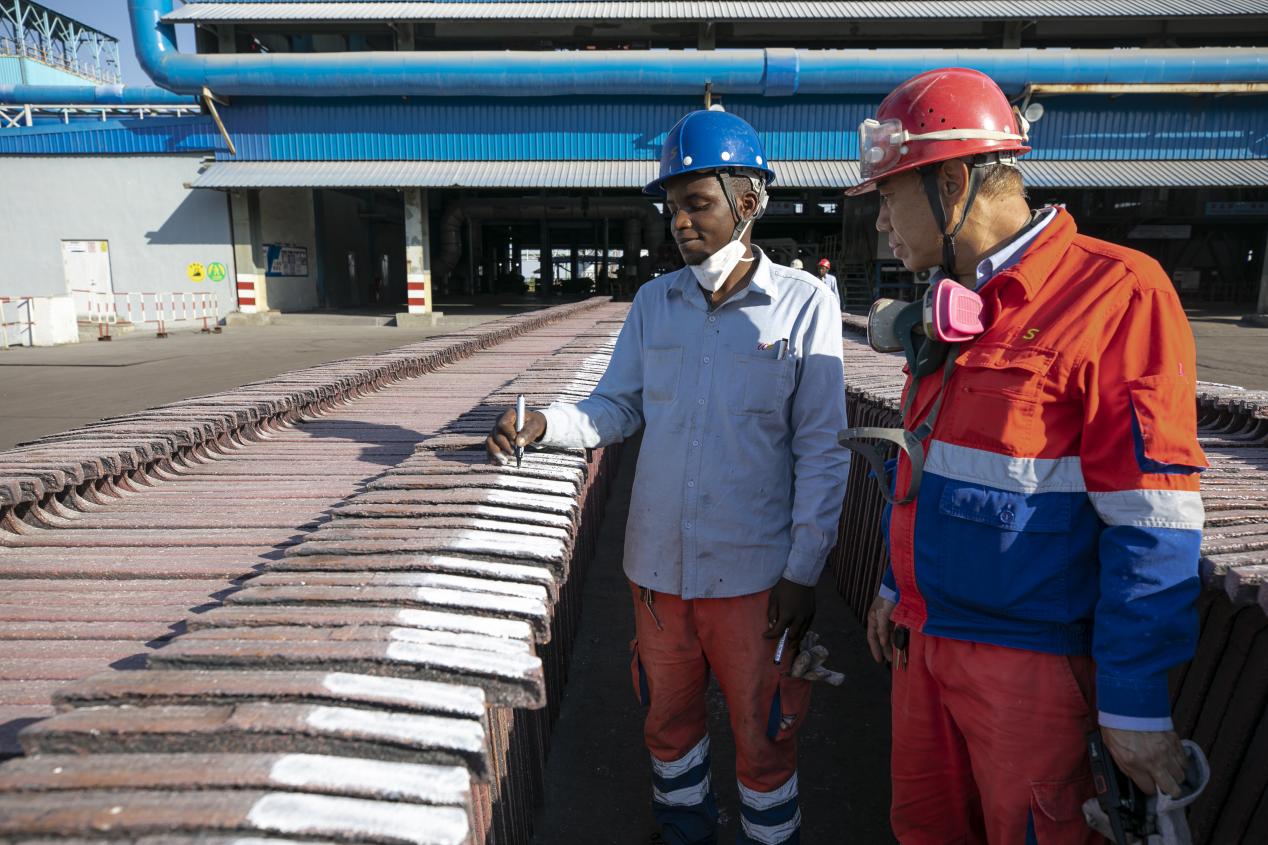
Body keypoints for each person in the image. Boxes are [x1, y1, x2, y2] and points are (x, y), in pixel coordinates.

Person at [847, 67, 1207, 843]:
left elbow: (1153, 515)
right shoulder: (953, 306)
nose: (880, 223)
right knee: (924, 829)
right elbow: (926, 463)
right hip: (925, 641)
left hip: (1031, 668)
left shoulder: (1118, 295)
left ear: (951, 184)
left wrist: (1133, 703)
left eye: (889, 197)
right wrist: (893, 585)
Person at [486, 109, 849, 845]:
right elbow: (616, 406)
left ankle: (770, 838)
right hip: (657, 572)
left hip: (754, 576)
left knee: (765, 727)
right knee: (667, 719)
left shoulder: (804, 304)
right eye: (672, 207)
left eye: (698, 203)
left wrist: (804, 570)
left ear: (749, 201)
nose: (680, 222)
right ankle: (684, 830)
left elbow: (822, 446)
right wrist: (545, 424)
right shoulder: (655, 304)